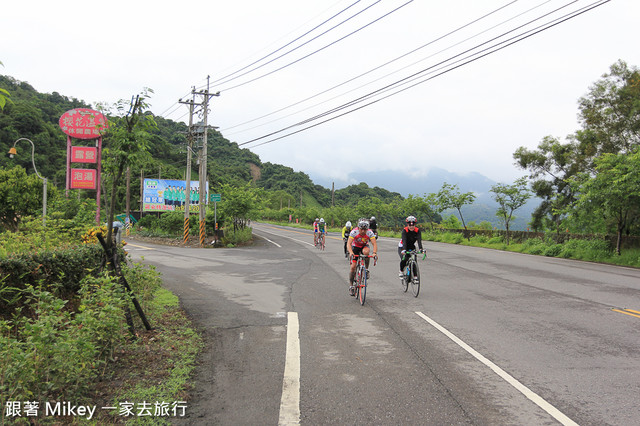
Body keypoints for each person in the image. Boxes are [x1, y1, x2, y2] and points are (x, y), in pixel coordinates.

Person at [347, 218, 378, 295]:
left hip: (364, 246)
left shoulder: (370, 232)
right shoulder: (354, 232)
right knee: (353, 267)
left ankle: (366, 269)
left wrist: (374, 253)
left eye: (365, 229)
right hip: (355, 247)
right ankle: (351, 286)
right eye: (361, 229)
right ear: (358, 228)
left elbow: (374, 244)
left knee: (366, 252)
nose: (363, 231)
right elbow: (349, 244)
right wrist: (351, 252)